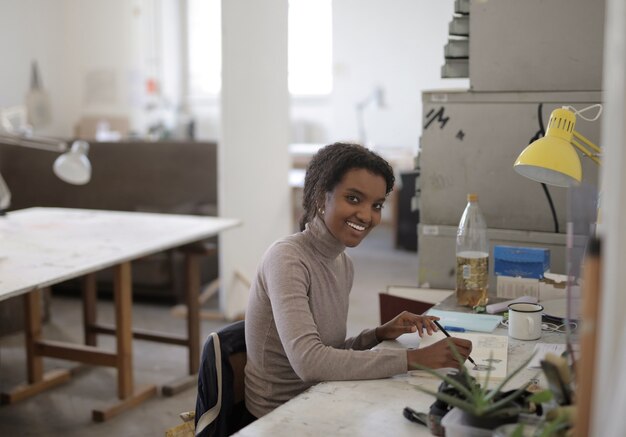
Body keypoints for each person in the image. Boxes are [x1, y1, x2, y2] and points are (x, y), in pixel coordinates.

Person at [244, 142, 472, 420]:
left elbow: (329, 353)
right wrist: (414, 360)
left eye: (376, 205)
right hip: (278, 417)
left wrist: (376, 335)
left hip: (321, 396)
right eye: (353, 199)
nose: (366, 215)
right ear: (319, 197)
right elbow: (309, 362)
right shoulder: (287, 259)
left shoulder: (342, 262)